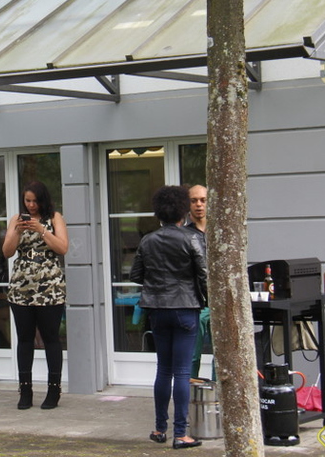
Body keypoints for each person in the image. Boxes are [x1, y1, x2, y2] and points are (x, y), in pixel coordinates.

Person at [130, 185, 207, 450]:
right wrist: (207, 299)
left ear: (159, 212)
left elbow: (136, 275)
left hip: (157, 310)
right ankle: (181, 433)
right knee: (182, 372)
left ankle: (159, 429)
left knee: (163, 370)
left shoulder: (148, 240)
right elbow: (204, 274)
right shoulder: (192, 238)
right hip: (186, 308)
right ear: (183, 210)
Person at [2, 181, 68, 410]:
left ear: (43, 200)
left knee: (51, 338)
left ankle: (54, 390)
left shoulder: (54, 218)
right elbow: (7, 251)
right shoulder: (16, 220)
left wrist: (42, 230)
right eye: (27, 201)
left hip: (49, 286)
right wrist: (17, 232)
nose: (30, 205)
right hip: (21, 285)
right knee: (25, 338)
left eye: (34, 201)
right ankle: (25, 390)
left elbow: (62, 248)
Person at [186, 184, 214, 381]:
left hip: (218, 303)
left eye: (203, 200)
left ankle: (218, 394)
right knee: (192, 356)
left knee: (221, 356)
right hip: (194, 303)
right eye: (194, 200)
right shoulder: (184, 235)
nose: (199, 205)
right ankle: (190, 394)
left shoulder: (220, 232)